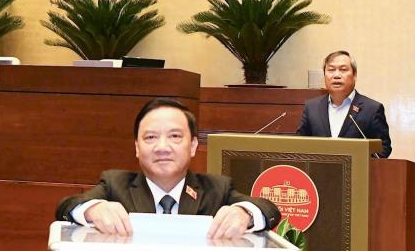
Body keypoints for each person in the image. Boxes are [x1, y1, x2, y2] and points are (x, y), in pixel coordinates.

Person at [56, 97, 280, 237]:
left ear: (193, 146)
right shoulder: (115, 185)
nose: (162, 147)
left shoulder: (216, 189)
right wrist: (93, 209)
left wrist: (244, 213)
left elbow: (269, 210)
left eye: (174, 136)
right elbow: (66, 207)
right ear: (137, 148)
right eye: (150, 137)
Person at [295, 51, 392, 158]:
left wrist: (358, 161)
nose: (336, 75)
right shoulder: (311, 107)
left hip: (356, 168)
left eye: (343, 70)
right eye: (331, 70)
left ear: (354, 75)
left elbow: (383, 149)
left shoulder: (372, 109)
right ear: (324, 76)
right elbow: (299, 145)